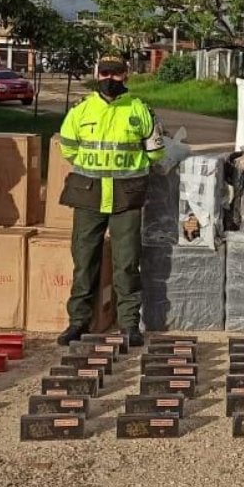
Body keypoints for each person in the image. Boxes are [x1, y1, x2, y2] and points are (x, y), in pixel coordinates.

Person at [57, 55, 165, 347]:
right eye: (105, 72)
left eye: (116, 74)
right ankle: (78, 322)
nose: (110, 79)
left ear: (126, 75)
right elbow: (67, 146)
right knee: (84, 261)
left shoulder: (140, 110)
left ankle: (129, 324)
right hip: (89, 194)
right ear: (97, 73)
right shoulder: (81, 110)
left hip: (125, 197)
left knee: (127, 263)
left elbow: (156, 151)